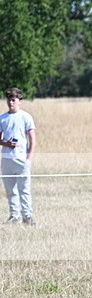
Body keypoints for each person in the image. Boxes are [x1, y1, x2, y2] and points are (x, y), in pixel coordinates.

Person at [0, 87, 36, 226]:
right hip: (7, 159)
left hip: (21, 160)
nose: (11, 103)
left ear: (19, 101)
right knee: (10, 190)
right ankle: (14, 216)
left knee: (24, 190)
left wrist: (29, 159)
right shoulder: (2, 118)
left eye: (13, 100)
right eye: (9, 100)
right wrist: (6, 143)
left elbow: (32, 140)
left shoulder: (26, 117)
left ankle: (27, 216)